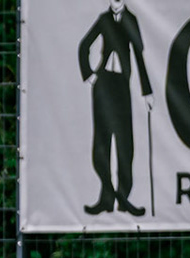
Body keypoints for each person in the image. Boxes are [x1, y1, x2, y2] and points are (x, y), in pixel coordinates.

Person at [78, 0, 152, 217]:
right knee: (101, 141)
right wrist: (90, 75)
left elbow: (139, 55)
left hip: (122, 85)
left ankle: (124, 197)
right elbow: (84, 45)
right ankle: (106, 197)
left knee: (124, 142)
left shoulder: (132, 20)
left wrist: (146, 91)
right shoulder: (103, 19)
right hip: (103, 84)